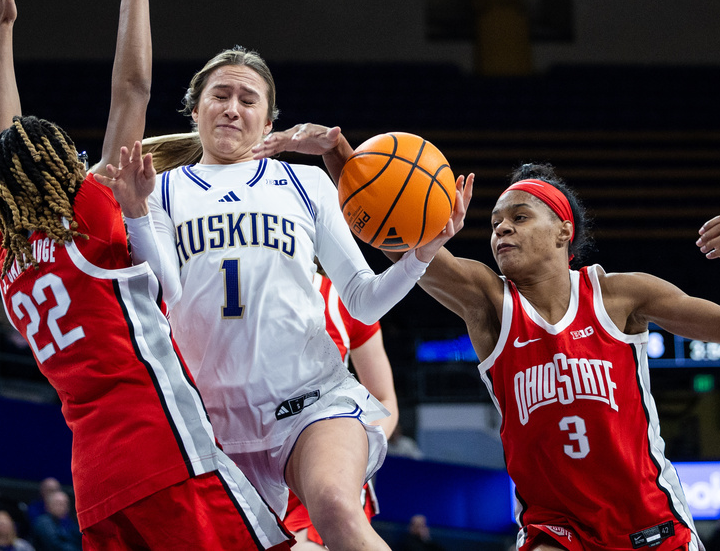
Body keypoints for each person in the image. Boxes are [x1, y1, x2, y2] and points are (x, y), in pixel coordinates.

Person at [255, 125, 720, 551]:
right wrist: (345, 161)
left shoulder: (623, 296)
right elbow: (403, 235)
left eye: (519, 218)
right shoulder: (490, 302)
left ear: (562, 231)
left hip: (648, 522)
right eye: (496, 221)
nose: (501, 229)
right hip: (557, 528)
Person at [0, 0, 291, 551]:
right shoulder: (87, 213)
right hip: (162, 448)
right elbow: (132, 91)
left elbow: (5, 140)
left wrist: (2, 36)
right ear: (61, 171)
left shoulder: (8, 246)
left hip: (94, 480)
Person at [128, 47, 467, 551]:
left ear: (268, 119)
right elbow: (165, 294)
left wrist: (420, 255)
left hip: (310, 401)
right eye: (220, 95)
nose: (232, 108)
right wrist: (135, 214)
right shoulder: (161, 189)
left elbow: (363, 301)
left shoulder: (305, 182)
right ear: (195, 107)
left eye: (248, 99)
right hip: (213, 424)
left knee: (335, 507)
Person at [283, 269, 400, 549]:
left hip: (320, 461)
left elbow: (385, 400)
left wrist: (351, 458)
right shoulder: (215, 287)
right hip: (247, 465)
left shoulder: (343, 300)